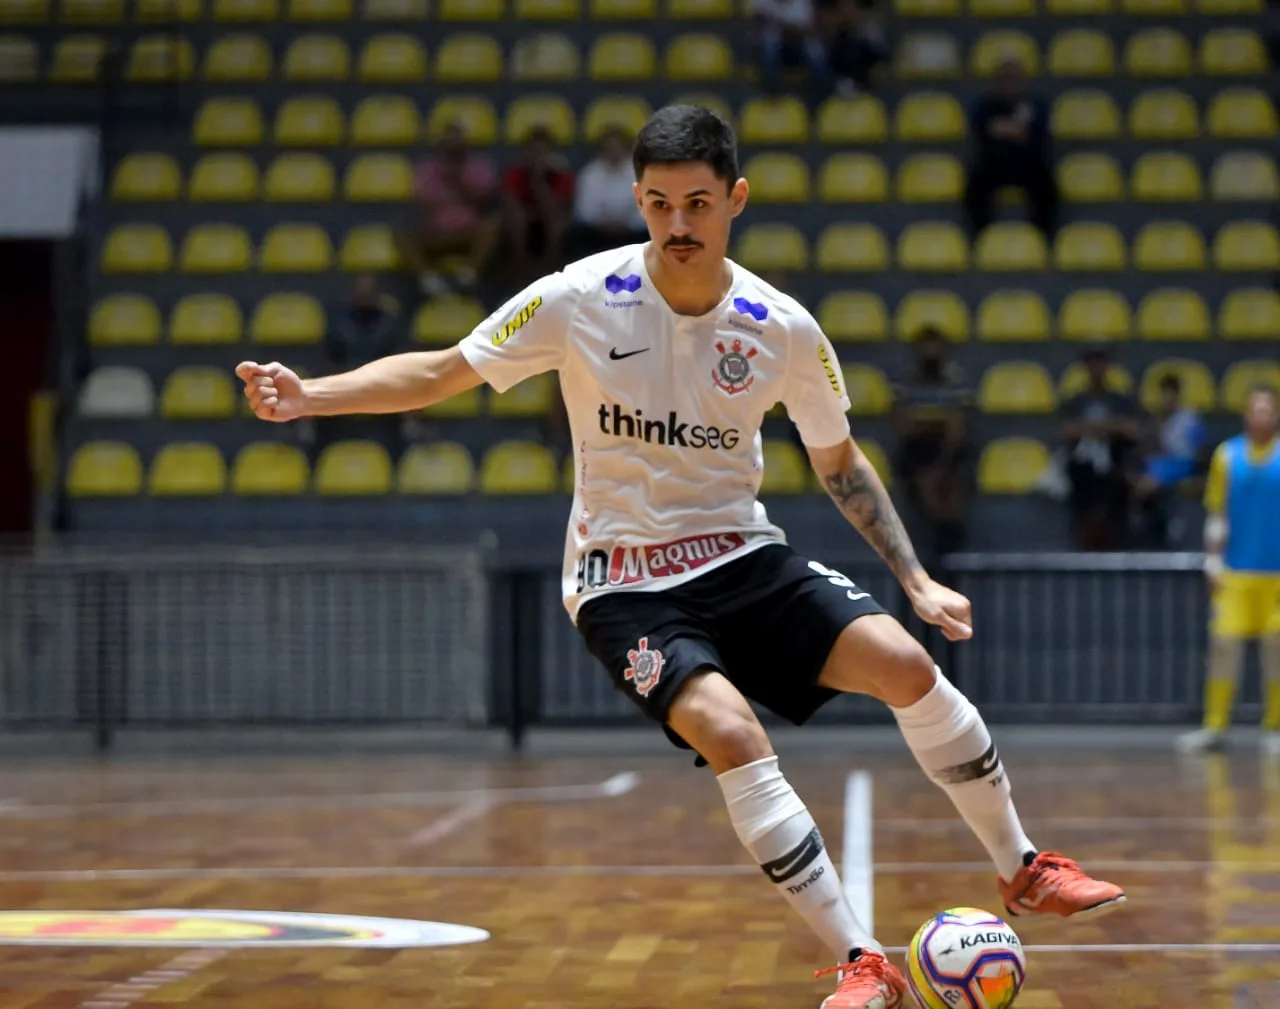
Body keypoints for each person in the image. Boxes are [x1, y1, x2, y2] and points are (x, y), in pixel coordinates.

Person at [236, 105, 1124, 1009]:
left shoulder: (780, 328)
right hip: (622, 581)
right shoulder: (578, 297)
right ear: (637, 201)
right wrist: (311, 396)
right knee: (735, 733)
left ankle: (1023, 867)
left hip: (742, 554)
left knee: (904, 661)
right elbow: (444, 369)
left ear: (736, 199)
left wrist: (916, 580)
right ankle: (865, 962)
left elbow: (839, 462)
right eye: (659, 204)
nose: (678, 225)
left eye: (698, 203)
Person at [1178, 385, 1280, 756]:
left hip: (1277, 576)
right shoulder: (1227, 456)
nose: (1262, 416)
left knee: (1277, 652)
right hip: (1236, 572)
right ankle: (1215, 726)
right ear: (1246, 414)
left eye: (1268, 409)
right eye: (1256, 409)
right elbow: (1217, 513)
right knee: (1223, 650)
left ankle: (1275, 727)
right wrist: (1213, 562)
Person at [892, 326, 972, 560]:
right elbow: (904, 426)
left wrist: (925, 421)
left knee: (949, 477)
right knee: (927, 479)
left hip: (951, 456)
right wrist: (939, 422)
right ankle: (941, 537)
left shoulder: (956, 381)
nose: (931, 353)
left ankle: (946, 542)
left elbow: (958, 427)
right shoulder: (905, 382)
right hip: (914, 454)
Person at [398, 122, 501, 297]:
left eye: (457, 143)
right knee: (401, 234)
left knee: (493, 227)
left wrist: (459, 181)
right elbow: (423, 201)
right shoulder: (427, 170)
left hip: (469, 232)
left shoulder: (479, 167)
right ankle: (428, 280)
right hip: (437, 232)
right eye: (449, 143)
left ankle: (468, 275)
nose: (453, 148)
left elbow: (485, 199)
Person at [963, 57, 1057, 240]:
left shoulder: (1037, 105)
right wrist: (1016, 130)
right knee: (974, 186)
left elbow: (1035, 133)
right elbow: (985, 130)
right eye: (1005, 79)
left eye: (1015, 79)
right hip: (993, 164)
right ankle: (979, 238)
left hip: (1029, 165)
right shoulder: (984, 105)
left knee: (1047, 188)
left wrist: (1004, 129)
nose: (1010, 84)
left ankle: (1044, 239)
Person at [1059, 349, 1142, 550]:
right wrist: (1110, 428)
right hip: (1082, 465)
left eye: (1101, 363)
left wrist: (1091, 428)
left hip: (1115, 462)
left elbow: (1132, 430)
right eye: (1092, 363)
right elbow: (1067, 431)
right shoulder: (1075, 401)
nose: (1097, 369)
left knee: (1122, 482)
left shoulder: (1120, 400)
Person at [1131, 373, 1207, 546]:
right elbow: (1149, 449)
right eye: (1165, 394)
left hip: (1184, 464)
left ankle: (1145, 511)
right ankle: (1141, 522)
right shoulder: (1157, 420)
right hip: (1161, 463)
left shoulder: (1190, 419)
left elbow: (1200, 451)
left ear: (1177, 395)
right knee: (1143, 473)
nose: (1168, 398)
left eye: (1171, 394)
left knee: (1151, 479)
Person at [501, 125, 575, 283]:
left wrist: (539, 179)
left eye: (542, 150)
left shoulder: (562, 175)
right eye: (533, 150)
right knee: (517, 218)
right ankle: (521, 266)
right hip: (525, 217)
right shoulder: (515, 173)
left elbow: (555, 206)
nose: (537, 155)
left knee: (556, 221)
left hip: (549, 217)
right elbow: (510, 202)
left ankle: (550, 267)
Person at [571, 126, 649, 260]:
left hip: (632, 232)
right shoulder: (590, 173)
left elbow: (647, 205)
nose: (614, 152)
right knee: (579, 235)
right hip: (598, 231)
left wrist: (627, 224)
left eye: (618, 148)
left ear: (626, 149)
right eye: (609, 148)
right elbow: (585, 209)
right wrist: (603, 223)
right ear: (602, 150)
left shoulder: (640, 174)